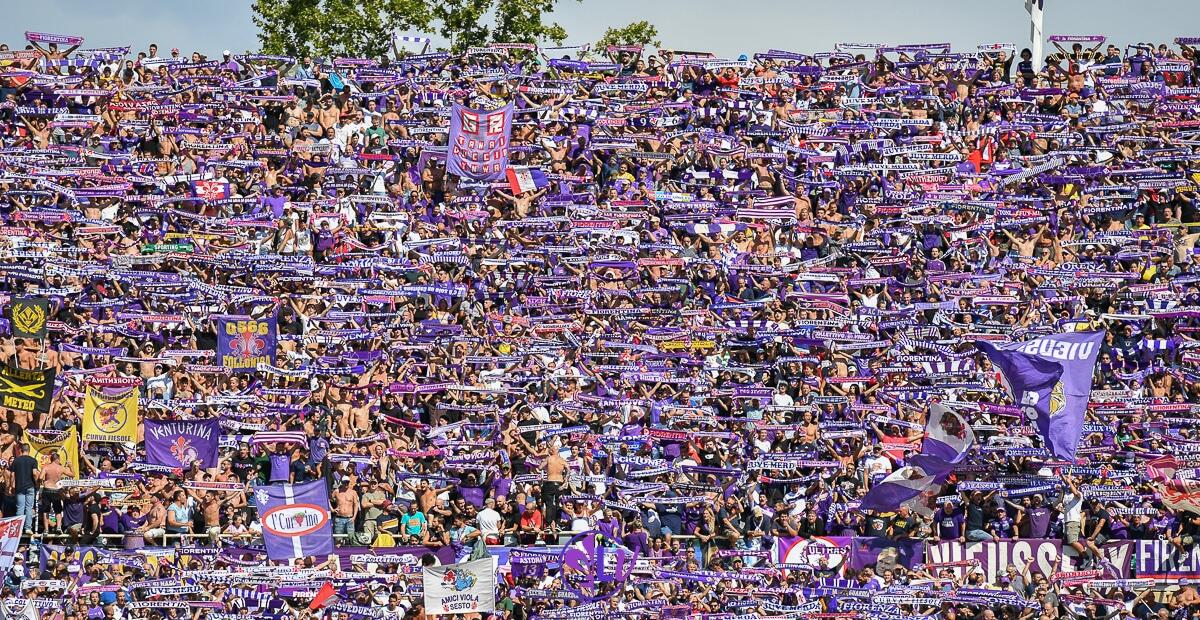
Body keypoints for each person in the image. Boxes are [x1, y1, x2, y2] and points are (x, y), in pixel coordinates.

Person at [9, 444, 37, 535]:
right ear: (29, 450)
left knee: (20, 508)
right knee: (29, 508)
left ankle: (19, 528)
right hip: (30, 486)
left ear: (21, 450)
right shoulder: (33, 460)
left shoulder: (16, 460)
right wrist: (36, 483)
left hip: (19, 487)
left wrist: (11, 486)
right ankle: (28, 528)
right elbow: (34, 473)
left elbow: (12, 475)